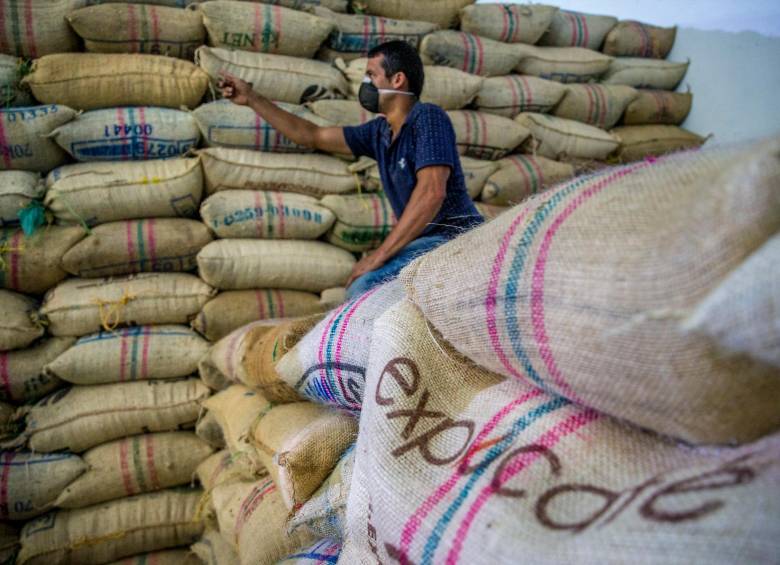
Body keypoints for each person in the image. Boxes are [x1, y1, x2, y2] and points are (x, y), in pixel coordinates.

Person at [219, 40, 483, 299]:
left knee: (365, 288)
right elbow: (312, 135)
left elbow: (432, 192)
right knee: (363, 288)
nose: (365, 84)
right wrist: (252, 99)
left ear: (397, 80)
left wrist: (379, 256)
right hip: (424, 244)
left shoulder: (426, 118)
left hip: (453, 238)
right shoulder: (380, 133)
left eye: (371, 75)